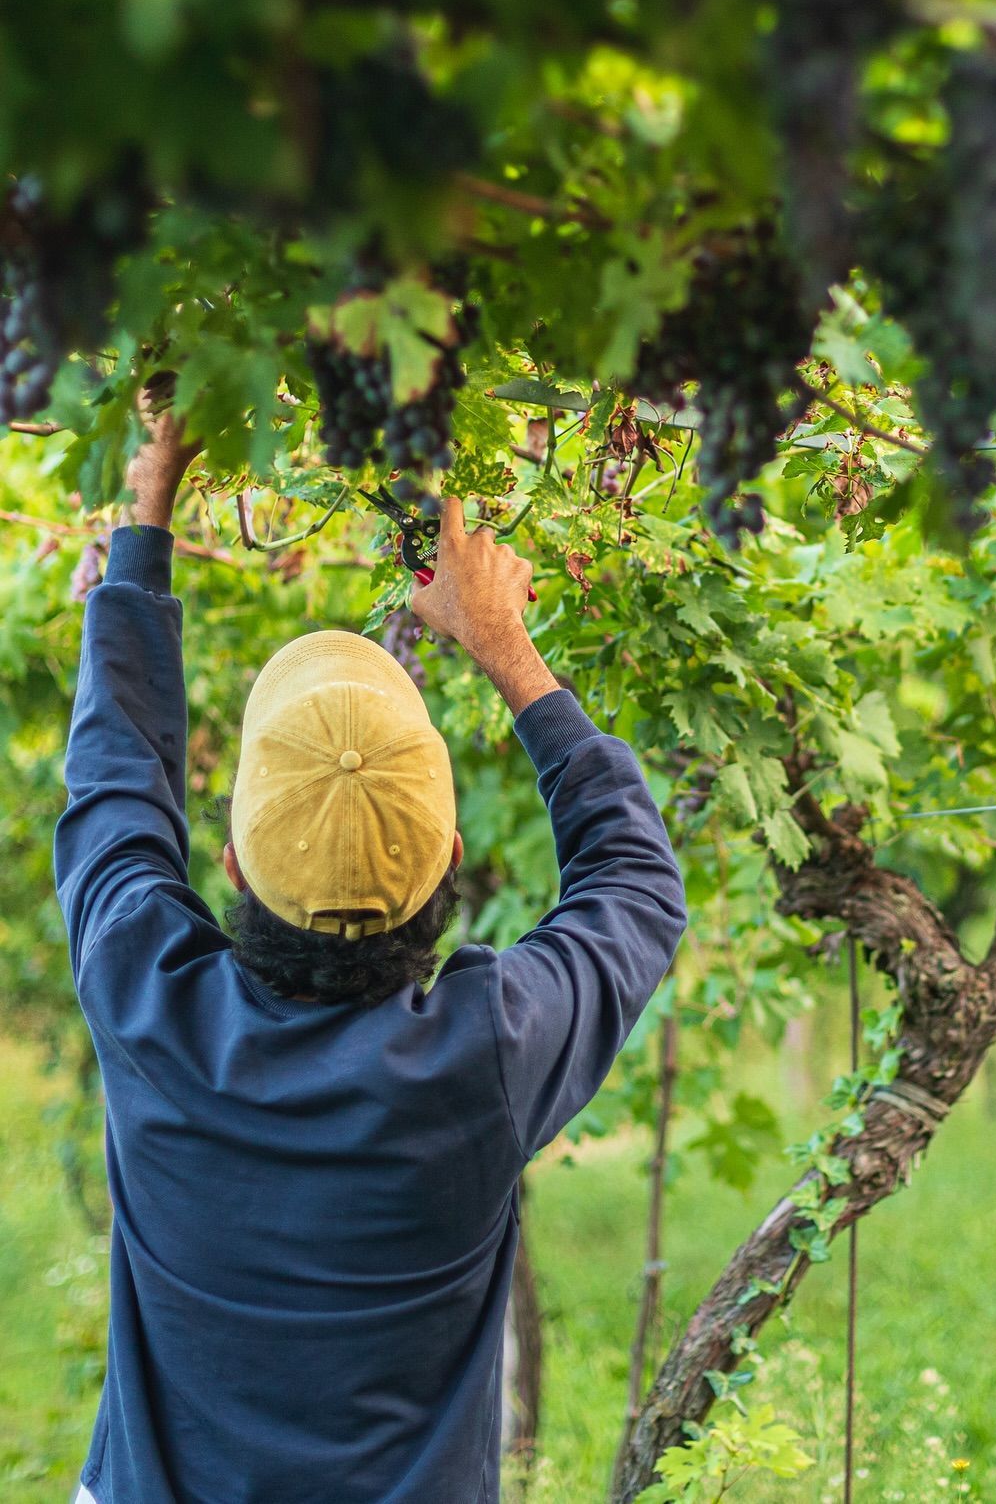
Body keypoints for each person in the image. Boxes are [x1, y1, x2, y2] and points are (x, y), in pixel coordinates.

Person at [57, 399, 687, 1504]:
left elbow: (116, 777)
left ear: (240, 868)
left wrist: (146, 509)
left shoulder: (150, 1000)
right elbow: (638, 880)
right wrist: (503, 642)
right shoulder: (484, 1054)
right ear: (450, 859)